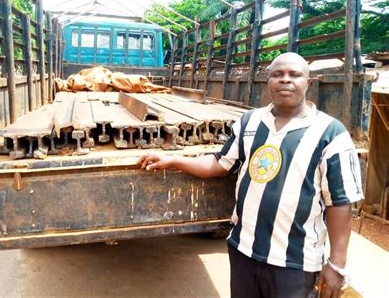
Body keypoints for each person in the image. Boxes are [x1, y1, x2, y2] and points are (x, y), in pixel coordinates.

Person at [137, 52, 363, 298]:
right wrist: (173, 160)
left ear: (308, 83)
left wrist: (336, 264)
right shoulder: (250, 121)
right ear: (268, 82)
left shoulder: (330, 133)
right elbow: (218, 164)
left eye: (294, 75)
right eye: (277, 74)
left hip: (295, 263)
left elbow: (340, 202)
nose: (285, 80)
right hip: (243, 250)